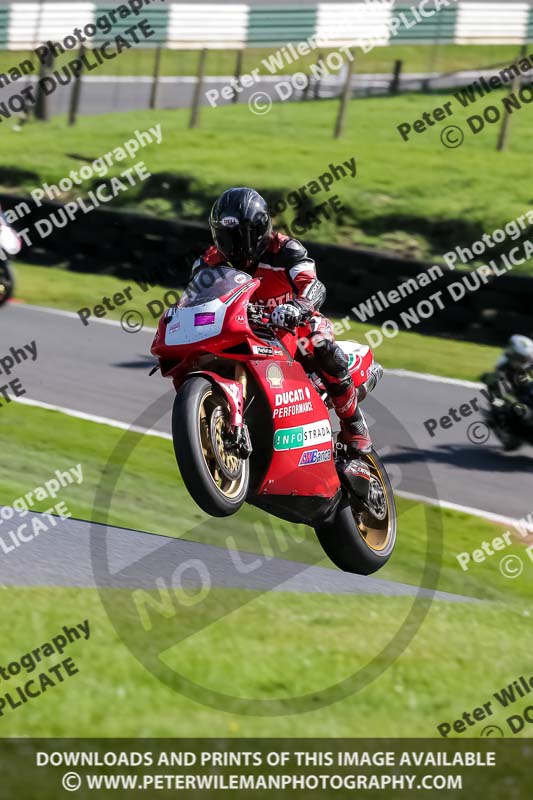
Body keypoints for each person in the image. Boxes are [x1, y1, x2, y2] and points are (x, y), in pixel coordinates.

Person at [191, 187, 381, 477]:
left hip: (293, 327)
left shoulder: (285, 250)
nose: (234, 246)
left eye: (239, 237)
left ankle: (354, 424)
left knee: (323, 347)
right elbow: (194, 298)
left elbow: (313, 285)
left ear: (258, 230)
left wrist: (298, 307)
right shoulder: (210, 261)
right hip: (241, 330)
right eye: (226, 237)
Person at [484, 334, 533, 425]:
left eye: (525, 359)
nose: (523, 361)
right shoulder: (503, 368)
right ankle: (499, 421)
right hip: (517, 402)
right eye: (520, 358)